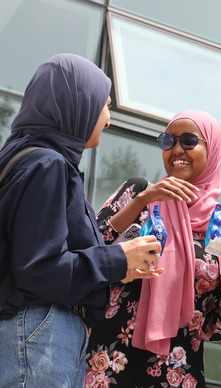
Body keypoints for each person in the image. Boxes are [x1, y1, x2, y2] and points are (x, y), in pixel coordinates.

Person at [0, 54, 161, 388]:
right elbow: (40, 268)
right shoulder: (48, 164)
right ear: (77, 104)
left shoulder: (26, 160)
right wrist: (118, 257)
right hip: (39, 333)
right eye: (104, 105)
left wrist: (119, 264)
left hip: (36, 332)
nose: (108, 119)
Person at [85, 109, 221, 387]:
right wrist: (142, 200)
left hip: (177, 372)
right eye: (168, 141)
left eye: (189, 140)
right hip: (108, 363)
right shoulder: (138, 192)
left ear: (211, 149)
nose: (177, 150)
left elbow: (216, 330)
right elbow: (91, 250)